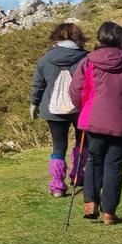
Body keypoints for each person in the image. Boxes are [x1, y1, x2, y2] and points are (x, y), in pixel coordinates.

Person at [70, 22, 122, 225]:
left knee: (94, 160)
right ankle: (109, 213)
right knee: (114, 166)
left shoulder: (88, 61)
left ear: (101, 38)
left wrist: (84, 106)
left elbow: (75, 90)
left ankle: (90, 204)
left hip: (94, 121)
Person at [30, 23, 88, 197]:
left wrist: (34, 103)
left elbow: (38, 85)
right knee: (83, 142)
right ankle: (78, 174)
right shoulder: (87, 58)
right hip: (81, 108)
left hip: (53, 110)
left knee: (58, 147)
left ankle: (57, 186)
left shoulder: (46, 59)